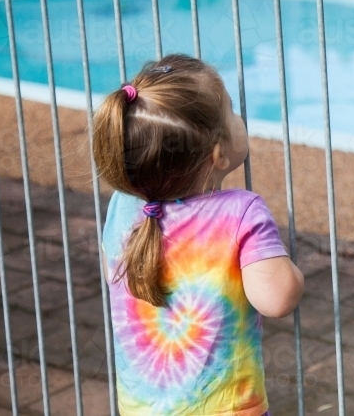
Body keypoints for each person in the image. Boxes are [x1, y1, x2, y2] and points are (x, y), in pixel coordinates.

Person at [93, 54, 303, 416]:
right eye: (232, 111)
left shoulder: (123, 206)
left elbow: (116, 273)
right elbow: (277, 299)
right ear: (219, 154)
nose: (239, 119)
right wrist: (294, 274)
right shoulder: (240, 211)